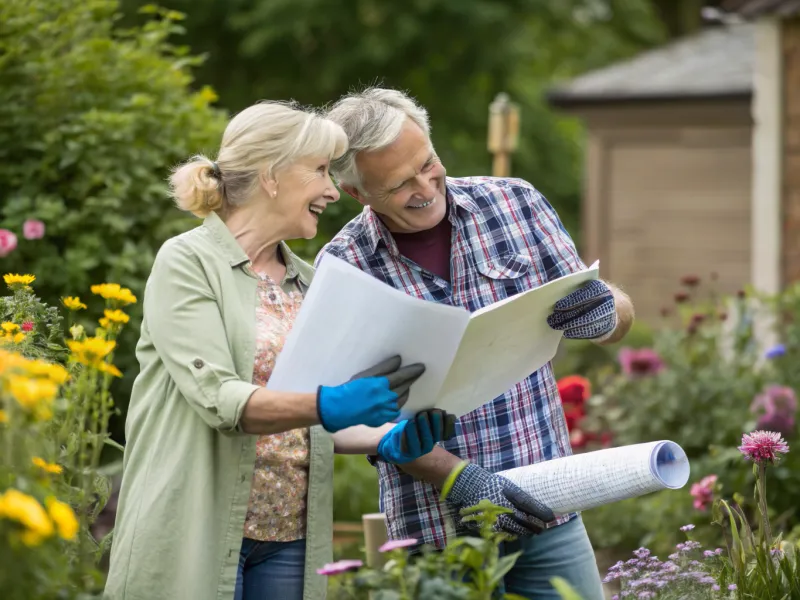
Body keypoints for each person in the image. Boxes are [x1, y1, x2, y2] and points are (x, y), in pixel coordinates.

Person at [103, 100, 457, 600]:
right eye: (318, 171)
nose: (334, 191)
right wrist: (330, 403)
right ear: (271, 175)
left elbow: (316, 421)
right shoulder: (187, 262)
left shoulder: (310, 283)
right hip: (196, 525)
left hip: (289, 537)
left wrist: (388, 438)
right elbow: (220, 400)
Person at [315, 87, 636, 600]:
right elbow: (352, 412)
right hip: (436, 532)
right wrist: (456, 477)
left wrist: (606, 313)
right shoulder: (345, 269)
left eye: (428, 164)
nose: (425, 187)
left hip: (546, 506)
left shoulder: (514, 204)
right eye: (400, 184)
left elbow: (613, 316)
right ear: (358, 194)